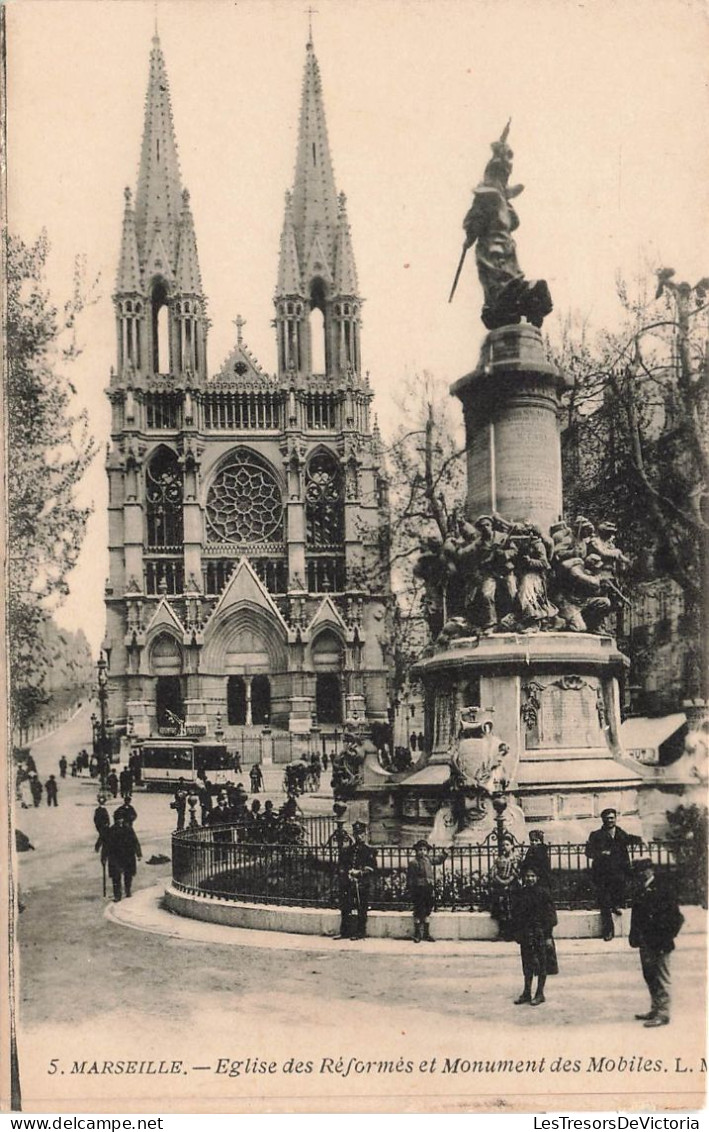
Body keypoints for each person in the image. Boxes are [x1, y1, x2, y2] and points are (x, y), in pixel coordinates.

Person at [629, 858, 684, 1027]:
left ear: (650, 870)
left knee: (662, 977)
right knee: (650, 976)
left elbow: (677, 918)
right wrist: (634, 936)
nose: (639, 875)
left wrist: (666, 938)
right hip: (645, 941)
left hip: (660, 942)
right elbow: (636, 917)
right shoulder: (640, 890)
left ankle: (663, 1013)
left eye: (642, 871)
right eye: (637, 872)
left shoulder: (663, 890)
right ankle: (655, 1008)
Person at [585, 808, 636, 941]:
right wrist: (600, 853)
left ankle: (616, 904)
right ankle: (608, 931)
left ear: (616, 818)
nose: (610, 820)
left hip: (619, 873)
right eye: (607, 818)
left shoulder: (620, 833)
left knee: (618, 895)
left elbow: (630, 840)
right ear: (603, 819)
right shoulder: (595, 835)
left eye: (612, 818)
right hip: (602, 874)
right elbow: (588, 852)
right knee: (605, 903)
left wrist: (643, 839)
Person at [511, 864, 558, 1006]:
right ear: (523, 878)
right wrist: (518, 933)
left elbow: (551, 916)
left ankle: (540, 993)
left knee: (542, 963)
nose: (530, 879)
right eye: (527, 876)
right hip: (526, 933)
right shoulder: (520, 893)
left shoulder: (543, 893)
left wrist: (548, 936)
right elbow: (516, 915)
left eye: (532, 876)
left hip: (540, 933)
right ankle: (526, 992)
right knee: (527, 963)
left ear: (537, 878)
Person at [336, 822, 377, 940]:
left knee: (361, 908)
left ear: (365, 834)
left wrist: (359, 873)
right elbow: (343, 865)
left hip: (362, 883)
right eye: (357, 834)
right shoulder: (349, 850)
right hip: (349, 882)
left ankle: (360, 932)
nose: (359, 836)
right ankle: (345, 932)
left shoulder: (370, 851)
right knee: (346, 907)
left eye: (361, 834)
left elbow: (372, 868)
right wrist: (348, 873)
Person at [406, 840, 447, 943]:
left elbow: (438, 860)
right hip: (418, 889)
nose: (422, 852)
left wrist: (445, 853)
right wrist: (411, 890)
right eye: (420, 850)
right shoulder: (413, 863)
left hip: (428, 889)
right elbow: (410, 878)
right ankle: (417, 934)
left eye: (425, 850)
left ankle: (426, 934)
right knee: (418, 911)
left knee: (427, 911)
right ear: (416, 851)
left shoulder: (428, 860)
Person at [101, 812, 141, 902]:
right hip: (115, 856)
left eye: (121, 819)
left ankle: (128, 890)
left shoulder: (128, 829)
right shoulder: (111, 830)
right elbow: (106, 845)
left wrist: (138, 853)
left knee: (128, 875)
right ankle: (117, 895)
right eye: (117, 819)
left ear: (123, 819)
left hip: (127, 855)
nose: (119, 821)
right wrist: (104, 857)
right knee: (116, 876)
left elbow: (135, 841)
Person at [488, 836, 520, 940]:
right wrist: (500, 881)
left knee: (511, 907)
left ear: (512, 846)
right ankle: (502, 931)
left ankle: (512, 932)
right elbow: (493, 872)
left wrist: (508, 881)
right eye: (503, 845)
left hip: (512, 885)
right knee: (500, 907)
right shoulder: (499, 859)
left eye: (507, 845)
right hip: (499, 886)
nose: (505, 847)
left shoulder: (515, 859)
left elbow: (516, 873)